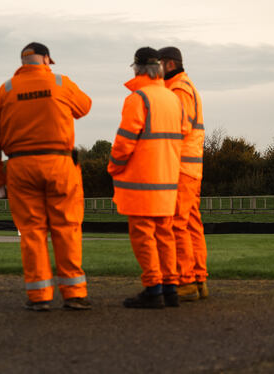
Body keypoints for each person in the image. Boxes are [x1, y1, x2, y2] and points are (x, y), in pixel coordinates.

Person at [0, 42, 93, 311]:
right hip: (58, 163)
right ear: (45, 59)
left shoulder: (5, 90)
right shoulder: (60, 82)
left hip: (20, 167)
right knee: (66, 228)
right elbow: (85, 107)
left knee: (32, 232)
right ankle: (74, 293)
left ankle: (40, 296)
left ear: (23, 62)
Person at [107, 47, 189, 308]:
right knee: (165, 235)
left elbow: (124, 142)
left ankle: (153, 290)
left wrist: (113, 166)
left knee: (143, 236)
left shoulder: (137, 98)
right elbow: (184, 131)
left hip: (142, 182)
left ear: (137, 68)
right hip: (168, 180)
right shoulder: (172, 98)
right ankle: (171, 289)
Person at [159, 46, 208, 301]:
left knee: (177, 224)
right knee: (191, 224)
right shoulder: (187, 86)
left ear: (168, 64)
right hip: (191, 168)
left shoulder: (178, 88)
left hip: (180, 168)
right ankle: (199, 279)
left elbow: (180, 127)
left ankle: (185, 281)